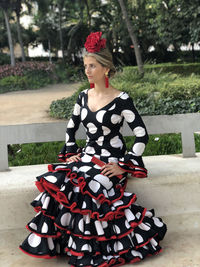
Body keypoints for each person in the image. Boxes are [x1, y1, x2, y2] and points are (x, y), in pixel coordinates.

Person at [19, 32, 167, 266]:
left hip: (111, 160)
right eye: (85, 66)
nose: (87, 71)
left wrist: (123, 165)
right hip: (87, 156)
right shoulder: (82, 97)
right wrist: (71, 151)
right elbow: (71, 127)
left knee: (90, 186)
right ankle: (65, 244)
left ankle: (94, 249)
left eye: (92, 66)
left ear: (106, 69)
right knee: (59, 179)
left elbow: (141, 134)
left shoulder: (121, 99)